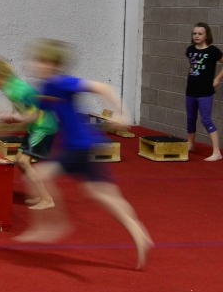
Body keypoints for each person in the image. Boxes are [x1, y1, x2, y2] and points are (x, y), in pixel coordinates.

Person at [16, 39, 153, 270]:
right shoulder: (47, 88)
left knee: (36, 175)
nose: (34, 65)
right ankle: (138, 231)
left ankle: (53, 226)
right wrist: (16, 119)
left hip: (78, 146)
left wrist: (123, 114)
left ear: (52, 64)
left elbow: (102, 87)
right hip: (82, 145)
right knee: (104, 193)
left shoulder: (62, 82)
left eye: (40, 61)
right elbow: (37, 114)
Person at [0, 57, 58, 210]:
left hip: (43, 127)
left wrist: (15, 118)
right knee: (20, 161)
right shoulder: (11, 88)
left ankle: (47, 199)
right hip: (36, 127)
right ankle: (41, 195)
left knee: (23, 161)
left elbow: (34, 114)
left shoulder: (18, 90)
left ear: (1, 76)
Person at [185, 22, 223, 161]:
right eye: (194, 33)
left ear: (206, 35)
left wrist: (218, 79)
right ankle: (191, 144)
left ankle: (216, 152)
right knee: (190, 118)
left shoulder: (212, 51)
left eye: (200, 34)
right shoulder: (190, 50)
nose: (197, 36)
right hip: (191, 91)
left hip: (205, 92)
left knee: (206, 120)